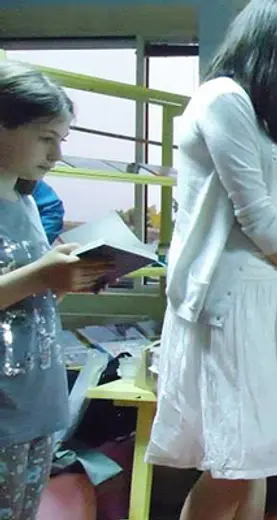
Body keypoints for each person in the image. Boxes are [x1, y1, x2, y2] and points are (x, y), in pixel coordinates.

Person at [144, 2, 277, 519]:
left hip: (263, 296)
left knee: (257, 461)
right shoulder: (223, 98)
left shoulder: (250, 112)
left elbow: (274, 214)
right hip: (232, 302)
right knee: (234, 468)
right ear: (263, 48)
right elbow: (255, 217)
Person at [0, 60, 113, 520]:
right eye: (46, 137)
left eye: (61, 140)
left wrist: (66, 280)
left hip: (38, 404)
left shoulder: (27, 201)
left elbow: (26, 304)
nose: (56, 153)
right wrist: (42, 275)